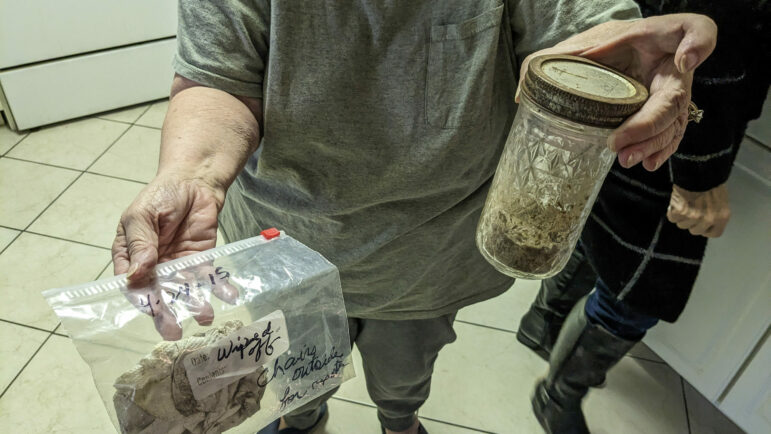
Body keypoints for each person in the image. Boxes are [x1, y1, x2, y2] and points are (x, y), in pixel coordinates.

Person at [111, 1, 717, 433]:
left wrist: (624, 55)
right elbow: (219, 75)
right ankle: (302, 420)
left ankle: (400, 423)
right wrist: (189, 174)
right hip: (282, 239)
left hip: (432, 252)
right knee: (298, 364)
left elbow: (584, 30)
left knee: (403, 374)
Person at [517, 1, 770, 433]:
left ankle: (541, 327)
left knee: (597, 238)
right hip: (671, 128)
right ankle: (557, 394)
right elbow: (703, 51)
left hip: (632, 100)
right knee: (637, 295)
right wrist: (700, 174)